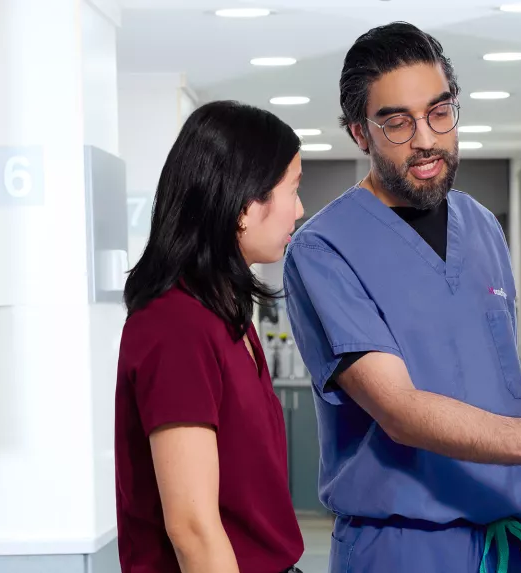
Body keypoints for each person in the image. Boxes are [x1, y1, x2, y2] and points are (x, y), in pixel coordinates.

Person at [281, 22, 521, 573]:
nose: (426, 138)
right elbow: (398, 409)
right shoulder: (324, 249)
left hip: (510, 543)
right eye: (398, 122)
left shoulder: (482, 226)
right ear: (360, 134)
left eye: (439, 112)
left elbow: (502, 390)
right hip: (404, 547)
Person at [114, 100, 306, 573]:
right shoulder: (176, 325)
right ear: (244, 204)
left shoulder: (225, 316)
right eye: (293, 189)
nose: (299, 210)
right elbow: (193, 530)